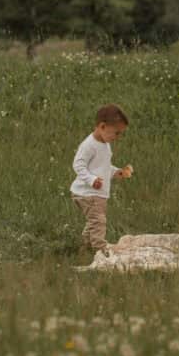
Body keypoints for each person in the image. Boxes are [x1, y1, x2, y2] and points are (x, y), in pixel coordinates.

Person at [70, 104, 133, 254]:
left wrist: (116, 172)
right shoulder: (89, 145)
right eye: (116, 133)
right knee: (99, 222)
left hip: (97, 194)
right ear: (102, 126)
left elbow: (103, 166)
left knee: (94, 221)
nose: (117, 137)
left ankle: (84, 248)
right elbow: (78, 165)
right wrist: (91, 180)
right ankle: (100, 250)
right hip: (87, 193)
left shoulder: (105, 144)